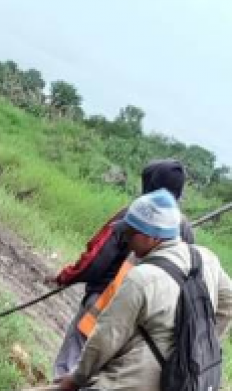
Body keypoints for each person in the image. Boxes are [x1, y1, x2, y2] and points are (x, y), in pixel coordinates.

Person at [57, 188, 232, 391]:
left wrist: (76, 378)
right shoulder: (206, 259)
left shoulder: (142, 277)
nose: (126, 240)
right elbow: (228, 304)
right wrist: (197, 347)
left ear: (153, 237)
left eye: (130, 233)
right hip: (186, 382)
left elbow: (106, 337)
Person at [48, 160, 194, 380]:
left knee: (71, 364)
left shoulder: (134, 214)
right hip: (146, 323)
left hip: (103, 302)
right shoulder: (185, 230)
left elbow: (97, 259)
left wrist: (66, 276)